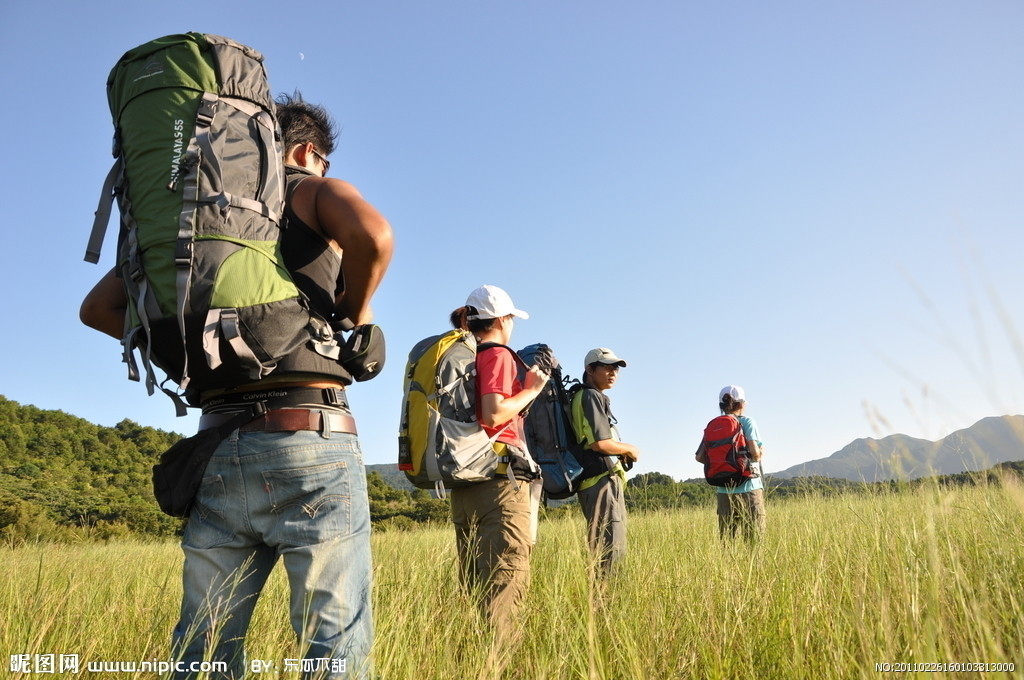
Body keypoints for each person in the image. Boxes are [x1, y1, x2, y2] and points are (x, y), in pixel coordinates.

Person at [80, 93, 393, 679]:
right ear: (304, 150)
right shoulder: (306, 187)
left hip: (217, 446)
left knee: (204, 643)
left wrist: (191, 356)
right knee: (334, 641)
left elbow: (98, 309)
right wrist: (359, 312)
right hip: (309, 434)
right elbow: (374, 234)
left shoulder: (189, 218)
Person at [447, 284, 548, 638]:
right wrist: (531, 389)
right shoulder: (497, 355)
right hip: (499, 484)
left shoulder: (464, 355)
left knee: (476, 588)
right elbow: (492, 414)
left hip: (464, 483)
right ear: (503, 318)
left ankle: (475, 661)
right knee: (504, 587)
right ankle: (501, 664)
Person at [569, 348, 639, 577]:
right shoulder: (591, 396)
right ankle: (608, 605)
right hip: (600, 482)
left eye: (616, 368)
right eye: (606, 367)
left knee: (602, 548)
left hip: (592, 482)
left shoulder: (582, 396)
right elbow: (601, 444)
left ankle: (601, 602)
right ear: (589, 369)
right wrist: (630, 449)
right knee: (611, 550)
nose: (613, 372)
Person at [695, 385, 766, 542]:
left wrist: (722, 461)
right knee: (754, 540)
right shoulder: (747, 422)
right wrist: (760, 451)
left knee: (727, 541)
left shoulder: (713, 426)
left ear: (721, 405)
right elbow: (755, 453)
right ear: (741, 403)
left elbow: (699, 457)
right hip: (749, 487)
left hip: (723, 490)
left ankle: (727, 567)